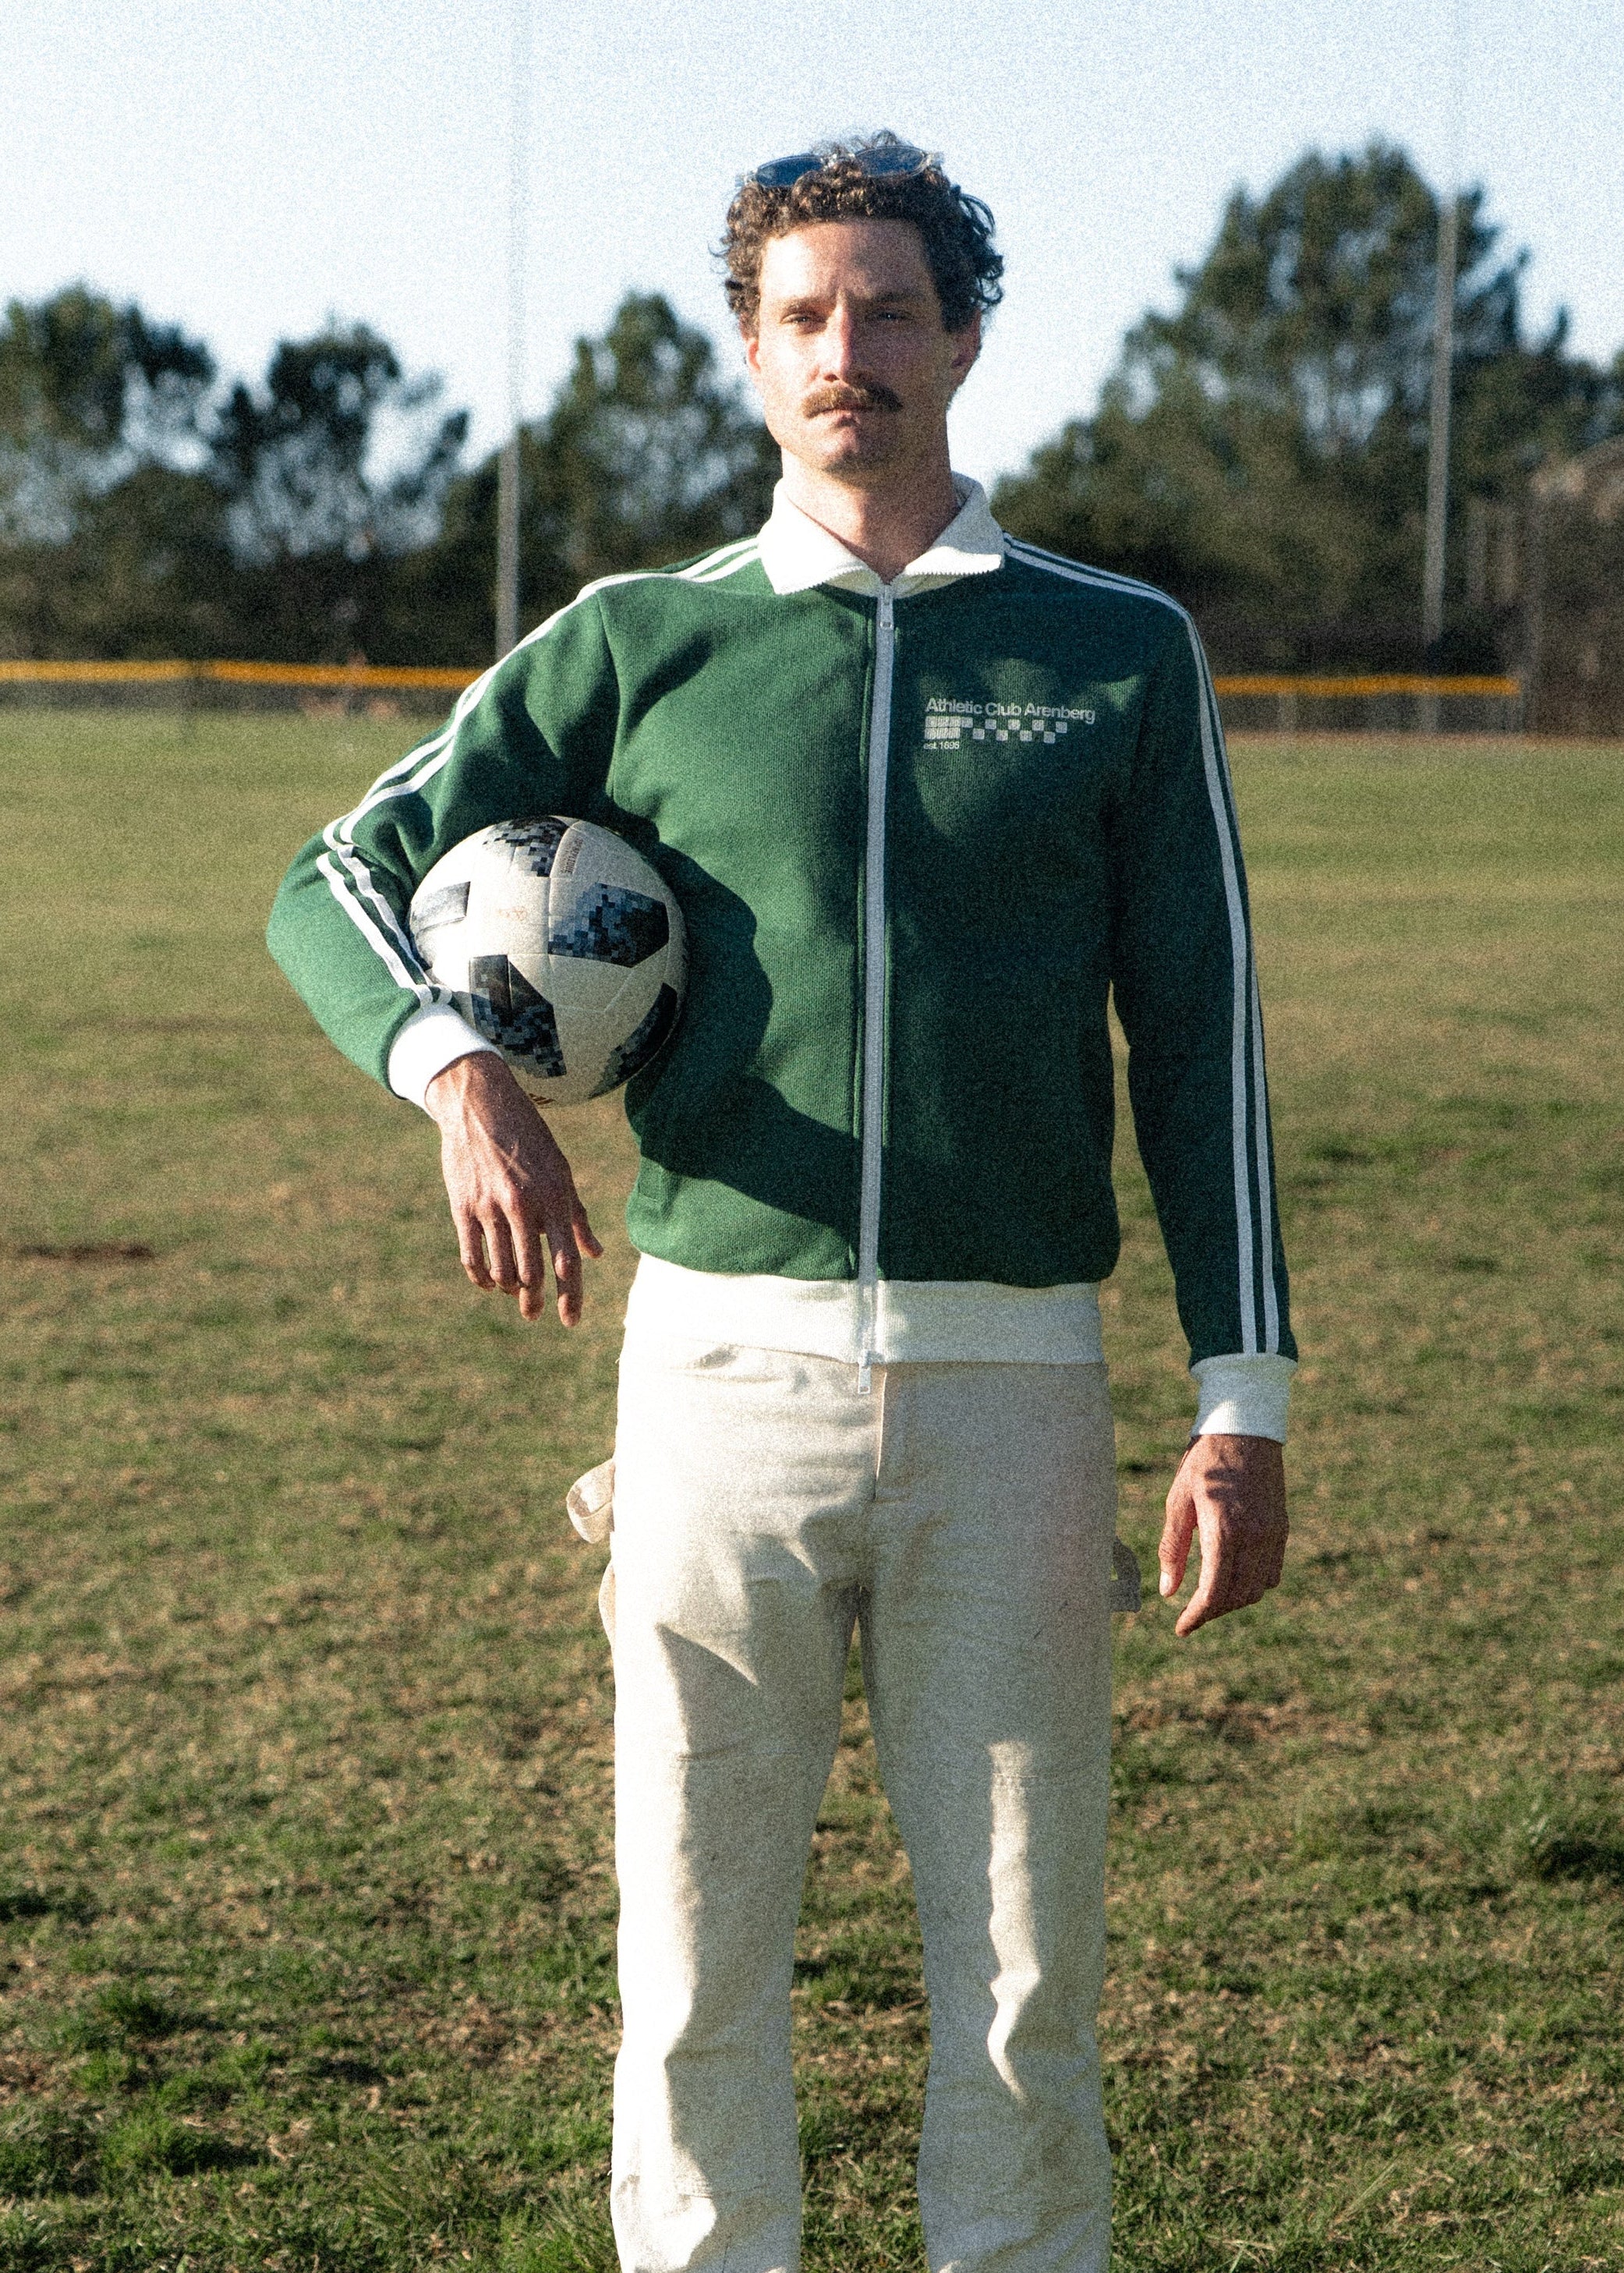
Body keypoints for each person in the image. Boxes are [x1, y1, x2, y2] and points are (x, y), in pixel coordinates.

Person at [268, 133, 1294, 2273]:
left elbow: (1197, 1031)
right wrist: (460, 1074)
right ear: (750, 351)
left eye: (891, 308)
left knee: (1022, 1964)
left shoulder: (1115, 650)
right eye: (805, 315)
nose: (850, 351)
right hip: (713, 1374)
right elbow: (328, 876)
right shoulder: (640, 642)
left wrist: (1241, 1399)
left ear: (966, 335)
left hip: (1013, 1382)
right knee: (691, 1949)